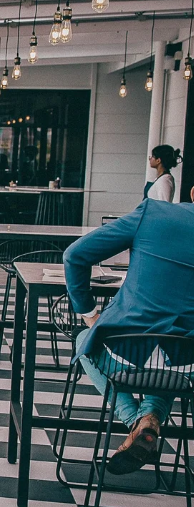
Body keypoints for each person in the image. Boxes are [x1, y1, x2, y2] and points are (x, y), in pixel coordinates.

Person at [64, 186, 194, 475]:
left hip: (125, 355)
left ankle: (136, 420)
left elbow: (74, 256)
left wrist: (89, 314)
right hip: (189, 367)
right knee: (173, 357)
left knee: (86, 339)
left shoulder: (154, 213)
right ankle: (150, 418)